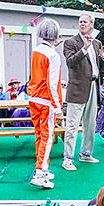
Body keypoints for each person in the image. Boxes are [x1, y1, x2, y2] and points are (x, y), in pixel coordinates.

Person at [61, 12, 104, 172]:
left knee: (90, 123)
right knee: (72, 125)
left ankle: (86, 154)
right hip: (77, 88)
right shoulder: (70, 42)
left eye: (85, 22)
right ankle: (67, 158)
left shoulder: (97, 43)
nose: (82, 24)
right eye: (80, 21)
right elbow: (70, 63)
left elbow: (96, 68)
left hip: (93, 86)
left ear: (92, 25)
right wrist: (84, 48)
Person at [26, 19, 64, 189]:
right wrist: (57, 108)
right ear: (55, 34)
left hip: (33, 98)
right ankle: (40, 172)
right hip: (46, 101)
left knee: (40, 136)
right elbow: (53, 84)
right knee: (47, 137)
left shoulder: (36, 50)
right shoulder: (53, 55)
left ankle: (42, 167)